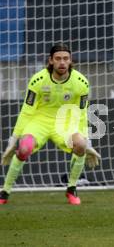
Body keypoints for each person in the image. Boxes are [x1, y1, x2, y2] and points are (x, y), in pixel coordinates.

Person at [0, 43, 101, 205]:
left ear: (70, 61)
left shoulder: (81, 83)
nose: (62, 62)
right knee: (24, 148)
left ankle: (72, 188)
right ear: (51, 61)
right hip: (39, 121)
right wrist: (14, 139)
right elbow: (26, 110)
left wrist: (86, 139)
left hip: (65, 123)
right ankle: (5, 191)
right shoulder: (38, 80)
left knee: (80, 145)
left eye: (65, 58)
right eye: (58, 58)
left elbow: (82, 113)